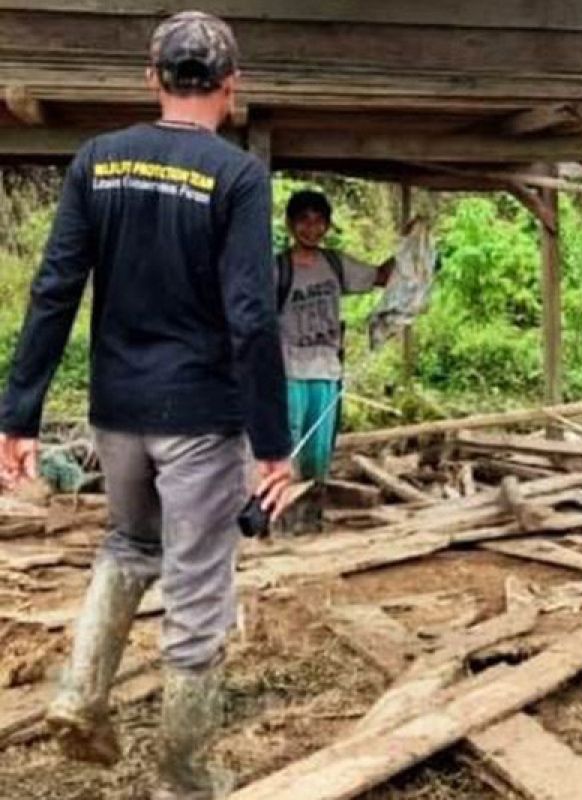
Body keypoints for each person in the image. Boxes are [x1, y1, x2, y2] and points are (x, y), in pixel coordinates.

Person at [0, 12, 291, 799]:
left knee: (130, 543)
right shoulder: (236, 176)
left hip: (117, 411)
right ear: (232, 89)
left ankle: (80, 694)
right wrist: (273, 441)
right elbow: (251, 315)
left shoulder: (99, 160)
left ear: (151, 80)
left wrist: (17, 414)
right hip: (200, 418)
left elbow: (55, 287)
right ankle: (185, 778)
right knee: (199, 587)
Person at [277, 189, 393, 532]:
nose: (311, 229)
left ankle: (311, 518)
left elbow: (381, 277)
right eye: (303, 221)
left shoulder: (335, 264)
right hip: (288, 371)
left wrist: (414, 246)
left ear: (327, 226)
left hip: (327, 371)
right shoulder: (277, 269)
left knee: (319, 450)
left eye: (318, 222)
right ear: (290, 224)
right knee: (288, 446)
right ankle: (283, 518)